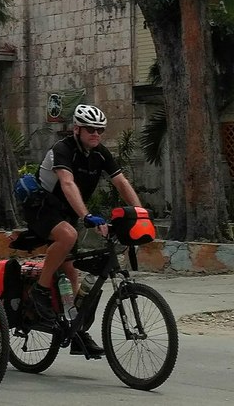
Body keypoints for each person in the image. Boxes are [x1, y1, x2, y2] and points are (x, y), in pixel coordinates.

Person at [25, 103, 143, 358]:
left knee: (71, 275)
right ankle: (40, 290)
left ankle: (75, 331)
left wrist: (139, 212)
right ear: (77, 129)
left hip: (67, 214)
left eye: (99, 130)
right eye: (90, 129)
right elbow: (67, 183)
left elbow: (121, 181)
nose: (96, 134)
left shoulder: (100, 153)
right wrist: (86, 215)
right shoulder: (62, 149)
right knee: (68, 235)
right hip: (42, 208)